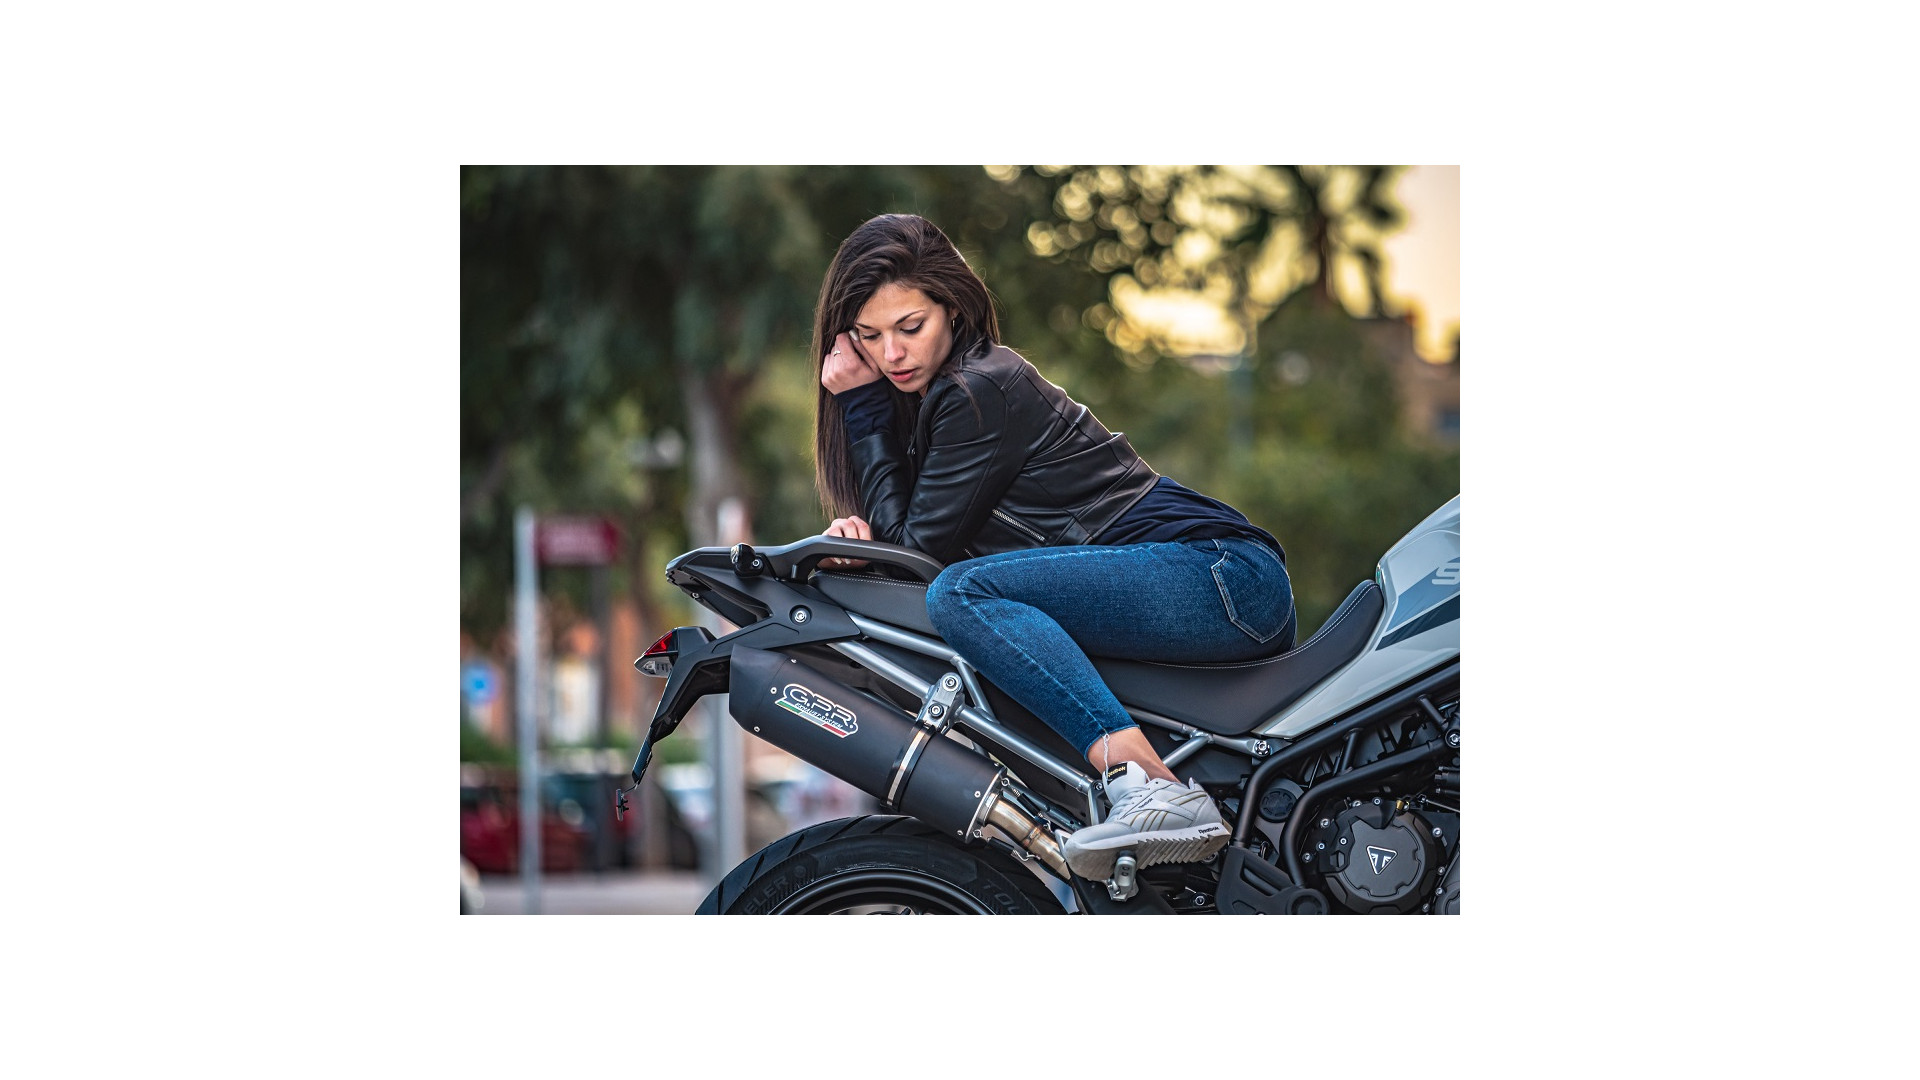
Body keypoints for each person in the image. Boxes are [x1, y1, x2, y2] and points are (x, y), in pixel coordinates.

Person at [811, 213, 1297, 880]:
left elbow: (919, 559)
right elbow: (906, 554)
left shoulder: (981, 387)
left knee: (962, 594)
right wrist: (859, 543)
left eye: (909, 327)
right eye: (870, 337)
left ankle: (1150, 785)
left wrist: (863, 408)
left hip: (1223, 575)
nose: (891, 354)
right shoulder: (937, 403)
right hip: (1203, 585)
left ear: (952, 308)